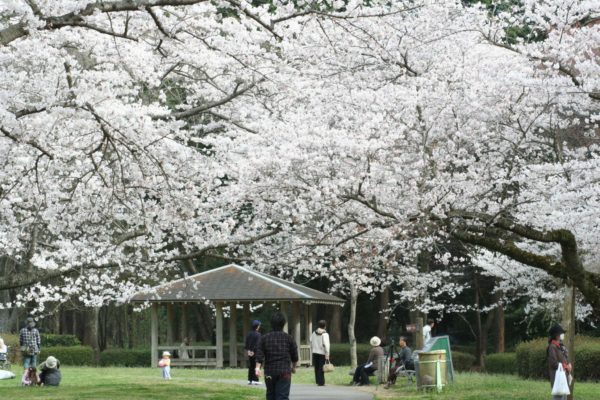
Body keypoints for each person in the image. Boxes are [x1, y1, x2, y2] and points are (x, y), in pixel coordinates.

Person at [255, 311, 299, 400]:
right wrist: (293, 367)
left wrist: (257, 368)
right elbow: (295, 356)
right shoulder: (289, 338)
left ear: (271, 323)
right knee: (282, 397)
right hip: (285, 371)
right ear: (283, 324)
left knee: (270, 395)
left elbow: (259, 355)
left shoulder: (264, 338)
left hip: (269, 371)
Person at [547, 325, 571, 400]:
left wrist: (568, 365)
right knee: (558, 397)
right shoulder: (552, 347)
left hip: (563, 377)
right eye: (561, 333)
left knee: (564, 397)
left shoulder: (560, 346)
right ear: (556, 335)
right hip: (557, 378)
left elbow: (563, 359)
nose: (562, 335)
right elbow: (554, 363)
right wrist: (566, 367)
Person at [310, 320, 330, 386]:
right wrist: (327, 354)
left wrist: (313, 348)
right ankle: (321, 382)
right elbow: (326, 345)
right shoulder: (325, 334)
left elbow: (311, 341)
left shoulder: (313, 333)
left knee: (316, 367)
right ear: (325, 326)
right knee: (321, 368)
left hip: (315, 352)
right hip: (322, 353)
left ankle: (318, 381)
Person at [245, 319, 262, 385]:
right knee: (256, 366)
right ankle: (255, 380)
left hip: (249, 352)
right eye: (259, 325)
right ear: (257, 326)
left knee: (251, 366)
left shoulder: (249, 334)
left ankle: (250, 379)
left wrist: (249, 350)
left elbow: (247, 343)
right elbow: (257, 344)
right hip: (256, 352)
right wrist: (254, 351)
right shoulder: (258, 334)